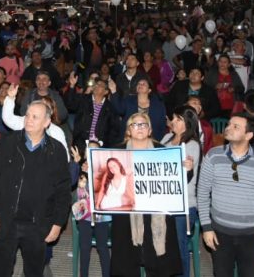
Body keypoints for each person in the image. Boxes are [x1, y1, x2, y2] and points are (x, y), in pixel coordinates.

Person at [0, 100, 72, 277]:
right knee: (0, 271)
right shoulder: (7, 142)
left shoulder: (57, 151)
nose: (29, 119)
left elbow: (63, 191)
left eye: (35, 117)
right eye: (27, 115)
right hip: (5, 220)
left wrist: (57, 223)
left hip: (38, 224)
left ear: (47, 122)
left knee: (34, 271)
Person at [197, 113, 254, 276]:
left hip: (251, 234)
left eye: (235, 126)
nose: (228, 128)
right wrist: (206, 227)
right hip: (220, 232)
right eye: (229, 124)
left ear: (249, 135)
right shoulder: (213, 156)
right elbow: (202, 192)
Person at [110, 113, 182, 276]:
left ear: (149, 130)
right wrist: (91, 169)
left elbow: (176, 182)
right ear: (128, 131)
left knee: (158, 263)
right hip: (126, 214)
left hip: (156, 211)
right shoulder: (116, 153)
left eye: (143, 124)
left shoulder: (163, 152)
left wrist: (186, 169)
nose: (139, 127)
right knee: (125, 261)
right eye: (135, 124)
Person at [161, 105, 201, 277]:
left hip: (184, 205)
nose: (173, 122)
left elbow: (185, 177)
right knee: (161, 244)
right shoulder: (166, 138)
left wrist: (188, 169)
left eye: (178, 119)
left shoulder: (192, 145)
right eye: (173, 118)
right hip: (163, 201)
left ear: (188, 123)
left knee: (178, 246)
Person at [70, 143, 111, 277]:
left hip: (101, 216)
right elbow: (71, 181)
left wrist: (92, 172)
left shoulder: (106, 169)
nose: (91, 151)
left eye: (95, 149)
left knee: (102, 247)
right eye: (88, 149)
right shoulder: (81, 169)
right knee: (84, 247)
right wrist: (76, 164)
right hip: (84, 215)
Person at [67, 75, 121, 149]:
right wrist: (72, 86)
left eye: (100, 85)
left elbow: (114, 130)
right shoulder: (84, 100)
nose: (96, 86)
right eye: (96, 84)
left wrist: (104, 144)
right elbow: (70, 105)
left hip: (101, 146)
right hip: (81, 144)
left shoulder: (110, 108)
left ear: (106, 92)